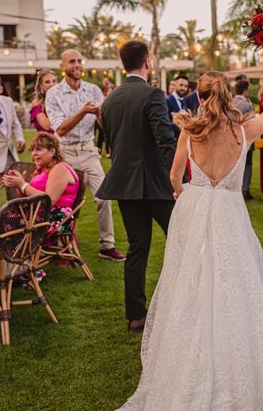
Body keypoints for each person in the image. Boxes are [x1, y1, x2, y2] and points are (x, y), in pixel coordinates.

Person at [116, 44, 263, 410]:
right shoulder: (245, 130)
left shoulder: (190, 130)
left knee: (191, 288)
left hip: (194, 210)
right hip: (230, 215)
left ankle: (193, 358)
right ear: (229, 95)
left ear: (200, 98)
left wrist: (184, 193)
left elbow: (174, 176)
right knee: (239, 287)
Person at [97, 40, 176, 332]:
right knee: (182, 241)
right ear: (147, 62)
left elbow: (115, 144)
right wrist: (177, 179)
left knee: (137, 250)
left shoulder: (110, 101)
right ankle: (182, 306)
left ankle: (136, 316)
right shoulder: (152, 94)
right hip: (156, 185)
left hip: (125, 186)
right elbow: (165, 140)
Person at [45, 49, 122, 261]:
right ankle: (61, 247)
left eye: (79, 61)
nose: (77, 64)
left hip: (88, 151)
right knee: (62, 201)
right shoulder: (54, 94)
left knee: (104, 196)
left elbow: (106, 128)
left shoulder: (94, 90)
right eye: (72, 61)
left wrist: (100, 116)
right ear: (62, 66)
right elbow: (59, 129)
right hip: (65, 153)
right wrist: (82, 111)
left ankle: (107, 245)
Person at [1, 132, 80, 239]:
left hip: (55, 220)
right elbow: (30, 199)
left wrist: (24, 185)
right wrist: (19, 185)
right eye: (32, 150)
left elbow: (50, 200)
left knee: (5, 224)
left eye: (38, 149)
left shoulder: (60, 168)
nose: (34, 154)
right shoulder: (42, 171)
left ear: (52, 151)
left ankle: (11, 253)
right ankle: (10, 252)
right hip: (38, 216)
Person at [232, 79, 256, 200]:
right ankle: (245, 190)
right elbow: (253, 122)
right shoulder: (247, 104)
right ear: (245, 91)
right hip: (245, 138)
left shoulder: (229, 103)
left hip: (231, 139)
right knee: (247, 164)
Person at [30, 68, 57, 133]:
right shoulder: (37, 103)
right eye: (47, 82)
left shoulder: (63, 99)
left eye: (54, 81)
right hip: (46, 141)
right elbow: (47, 126)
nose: (52, 84)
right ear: (41, 86)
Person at [96, 77, 113, 155]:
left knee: (109, 136)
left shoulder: (114, 99)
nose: (110, 92)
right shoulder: (102, 99)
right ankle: (98, 150)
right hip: (102, 118)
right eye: (109, 91)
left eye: (111, 91)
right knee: (100, 136)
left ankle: (108, 151)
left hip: (111, 119)